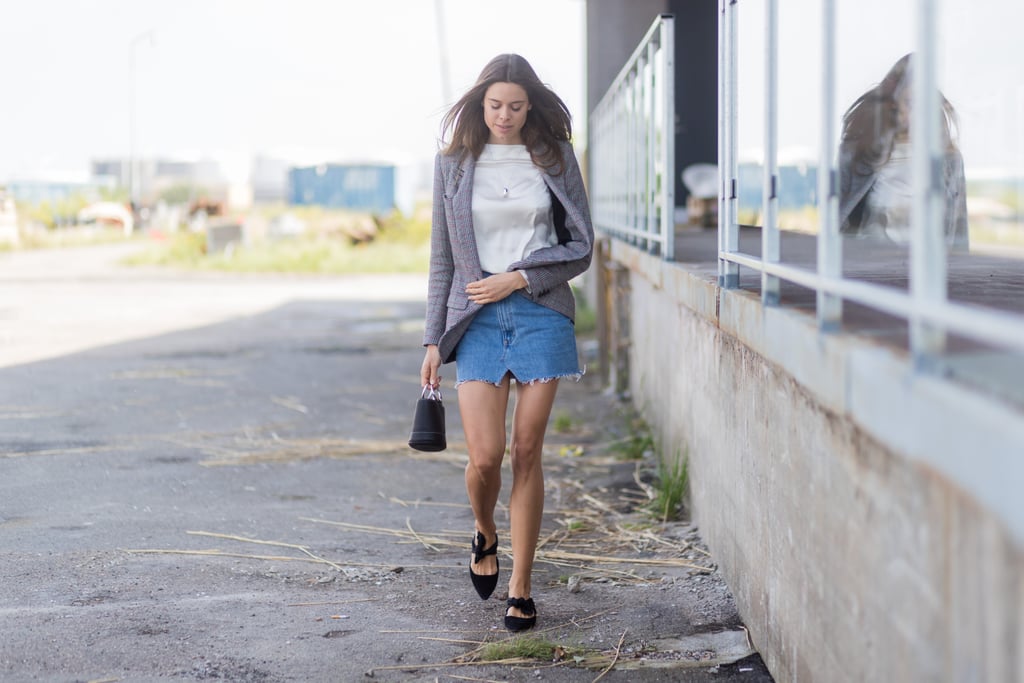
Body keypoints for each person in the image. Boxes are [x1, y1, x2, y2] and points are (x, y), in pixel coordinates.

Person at [419, 53, 594, 632]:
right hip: (476, 321)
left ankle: (521, 585)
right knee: (484, 458)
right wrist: (431, 342)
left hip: (542, 312)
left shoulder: (554, 156)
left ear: (530, 106)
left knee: (526, 452)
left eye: (516, 106)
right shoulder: (452, 165)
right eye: (495, 105)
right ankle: (485, 531)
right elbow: (442, 259)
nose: (505, 115)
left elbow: (581, 246)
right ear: (479, 104)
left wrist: (519, 277)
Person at [838, 53, 968, 250]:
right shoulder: (856, 152)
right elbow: (836, 220)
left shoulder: (948, 159)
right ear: (892, 102)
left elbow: (959, 232)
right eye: (909, 102)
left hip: (924, 270)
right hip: (868, 268)